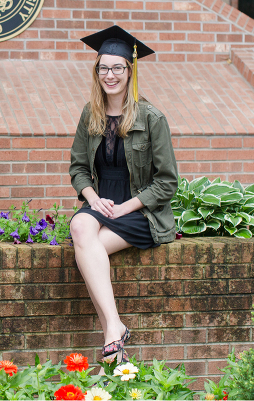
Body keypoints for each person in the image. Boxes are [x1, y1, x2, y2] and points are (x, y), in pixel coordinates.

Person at [69, 25, 179, 364]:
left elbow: (167, 181)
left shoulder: (151, 117)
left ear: (130, 71)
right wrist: (92, 199)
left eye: (118, 67)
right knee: (81, 229)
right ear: (96, 71)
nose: (110, 74)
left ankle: (111, 336)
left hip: (140, 210)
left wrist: (125, 207)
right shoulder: (91, 113)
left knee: (89, 253)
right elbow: (77, 168)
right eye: (103, 67)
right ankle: (115, 330)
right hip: (102, 202)